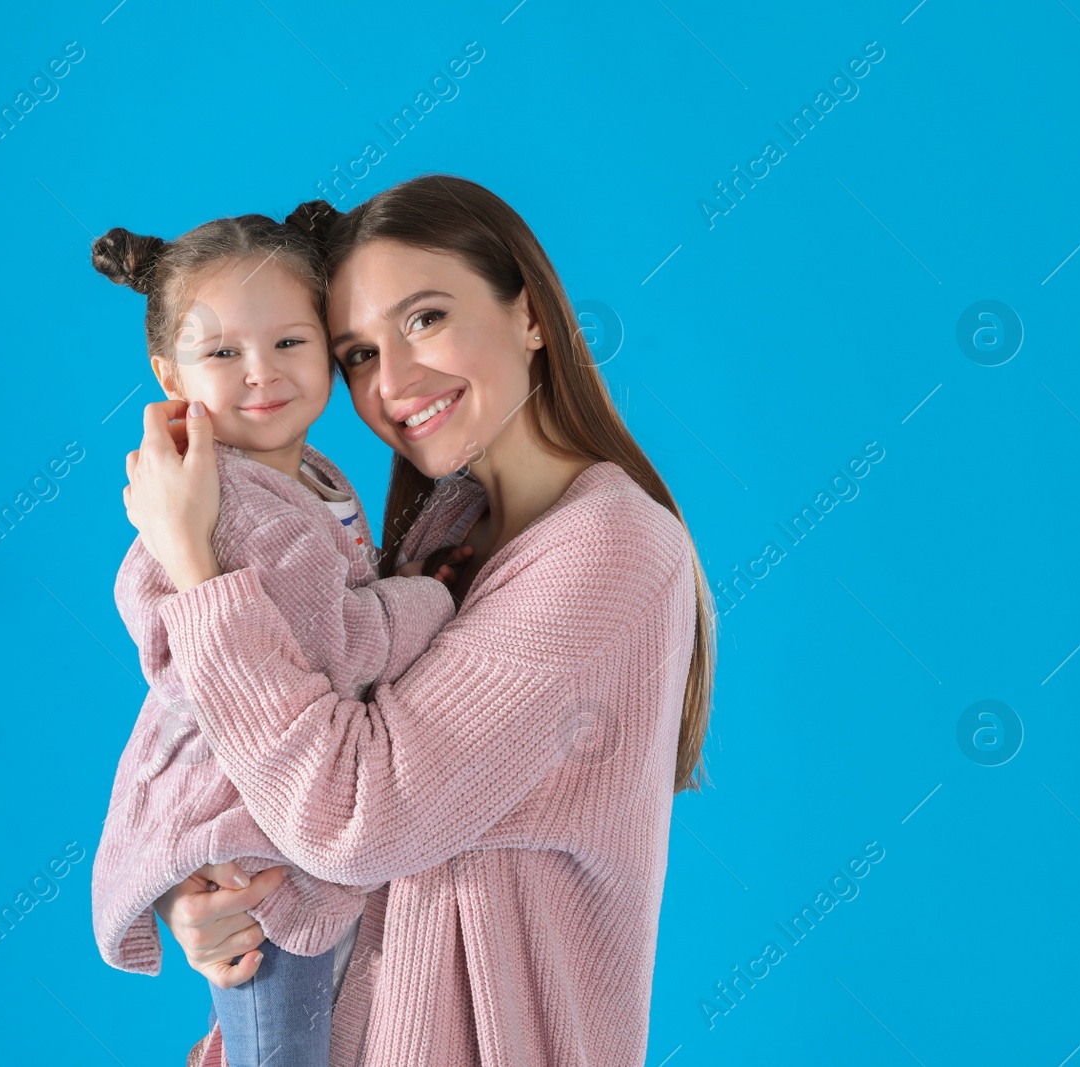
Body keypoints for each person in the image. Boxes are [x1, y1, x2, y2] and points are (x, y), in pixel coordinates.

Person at [127, 175, 717, 1066]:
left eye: (426, 318)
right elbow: (280, 759)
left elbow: (355, 814)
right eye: (358, 351)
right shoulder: (444, 530)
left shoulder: (612, 545)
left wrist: (195, 569)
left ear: (530, 314)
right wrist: (210, 885)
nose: (393, 381)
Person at [88, 209, 469, 1067]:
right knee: (281, 1040)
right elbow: (337, 646)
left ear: (328, 347)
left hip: (291, 803)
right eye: (221, 353)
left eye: (290, 342)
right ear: (167, 371)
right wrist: (433, 604)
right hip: (250, 827)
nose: (260, 374)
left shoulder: (314, 475)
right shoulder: (232, 499)